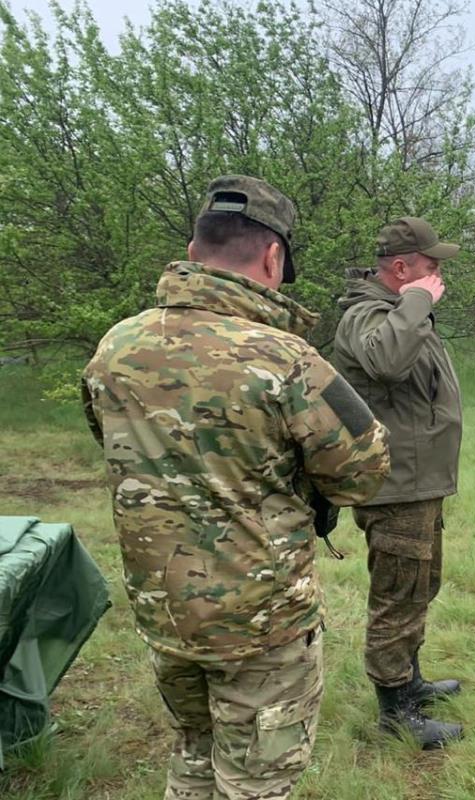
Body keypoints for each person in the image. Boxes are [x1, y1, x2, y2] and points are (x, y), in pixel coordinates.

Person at [81, 175, 391, 799]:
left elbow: (111, 439)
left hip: (163, 610)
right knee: (256, 783)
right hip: (261, 624)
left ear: (194, 251)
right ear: (273, 257)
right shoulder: (285, 359)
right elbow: (364, 468)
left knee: (194, 757)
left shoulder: (116, 346)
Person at [331, 217, 465, 749]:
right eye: (430, 266)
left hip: (419, 481)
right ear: (402, 267)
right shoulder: (366, 316)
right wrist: (417, 302)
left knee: (419, 586)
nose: (438, 276)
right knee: (398, 595)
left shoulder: (398, 314)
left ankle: (410, 681)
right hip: (396, 484)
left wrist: (414, 306)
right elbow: (386, 362)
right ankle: (396, 713)